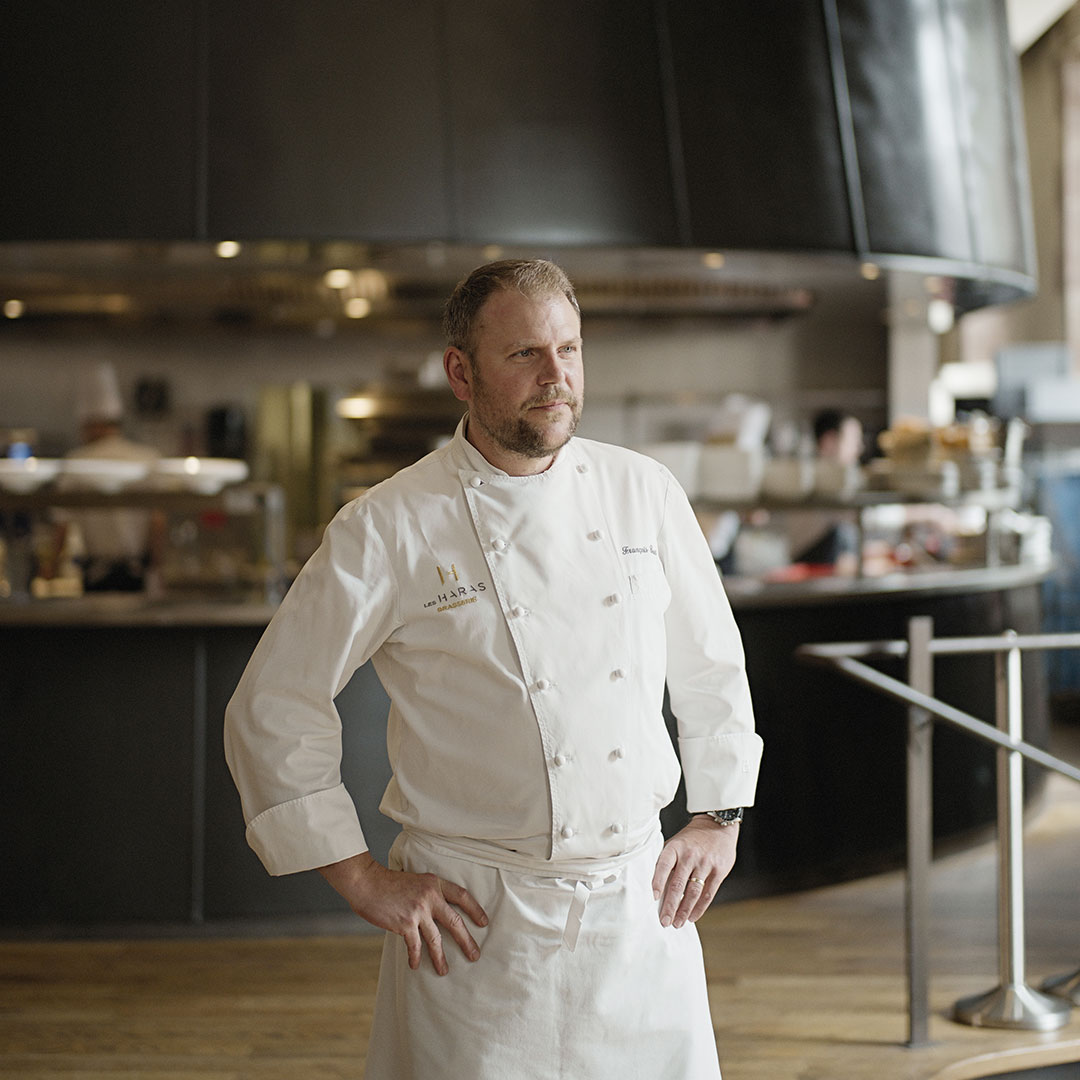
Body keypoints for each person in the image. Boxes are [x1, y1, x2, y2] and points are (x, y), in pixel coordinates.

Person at [224, 259, 763, 1080]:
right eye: (524, 355)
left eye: (570, 350)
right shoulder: (390, 525)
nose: (557, 379)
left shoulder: (642, 492)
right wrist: (361, 877)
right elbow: (273, 704)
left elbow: (712, 666)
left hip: (637, 914)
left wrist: (717, 815)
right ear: (460, 372)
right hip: (475, 931)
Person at [59, 362, 163, 592]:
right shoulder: (147, 458)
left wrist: (50, 570)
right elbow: (158, 523)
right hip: (139, 573)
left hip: (94, 575)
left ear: (87, 424)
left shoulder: (76, 463)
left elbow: (62, 526)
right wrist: (157, 569)